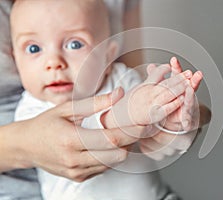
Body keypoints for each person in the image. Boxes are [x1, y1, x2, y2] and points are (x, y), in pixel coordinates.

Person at [0, 0, 211, 199]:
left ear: (108, 55)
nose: (53, 63)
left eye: (74, 44)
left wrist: (174, 118)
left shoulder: (122, 78)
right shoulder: (31, 108)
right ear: (15, 58)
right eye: (34, 49)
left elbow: (154, 145)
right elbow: (85, 138)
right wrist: (130, 114)